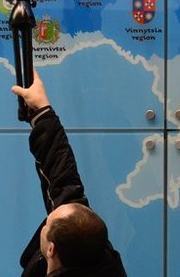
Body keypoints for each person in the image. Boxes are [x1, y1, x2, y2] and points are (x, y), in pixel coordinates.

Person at [12, 71, 128, 277]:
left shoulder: (97, 252)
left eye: (47, 224)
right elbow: (64, 181)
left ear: (51, 249)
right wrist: (42, 111)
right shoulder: (99, 258)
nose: (46, 220)